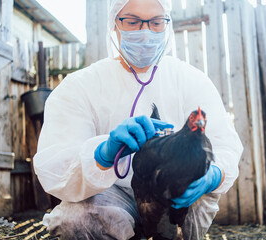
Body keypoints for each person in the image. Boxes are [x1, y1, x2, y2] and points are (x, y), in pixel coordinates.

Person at [33, 0, 243, 239]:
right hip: (110, 195)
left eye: (155, 22)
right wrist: (101, 155)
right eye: (132, 22)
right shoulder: (79, 86)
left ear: (166, 24)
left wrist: (212, 175)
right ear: (114, 24)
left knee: (176, 228)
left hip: (177, 191)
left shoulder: (191, 80)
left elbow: (225, 145)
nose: (145, 32)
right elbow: (55, 164)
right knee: (73, 220)